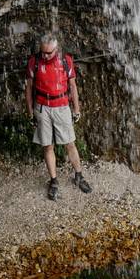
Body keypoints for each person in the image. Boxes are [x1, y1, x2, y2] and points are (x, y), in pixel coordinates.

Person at [25, 34, 92, 200]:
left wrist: (76, 109)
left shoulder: (65, 60)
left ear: (56, 49)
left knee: (70, 143)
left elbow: (73, 86)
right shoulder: (34, 61)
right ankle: (54, 181)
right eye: (43, 52)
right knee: (47, 146)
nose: (45, 56)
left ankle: (79, 176)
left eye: (49, 53)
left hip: (62, 106)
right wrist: (30, 111)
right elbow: (29, 88)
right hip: (42, 107)